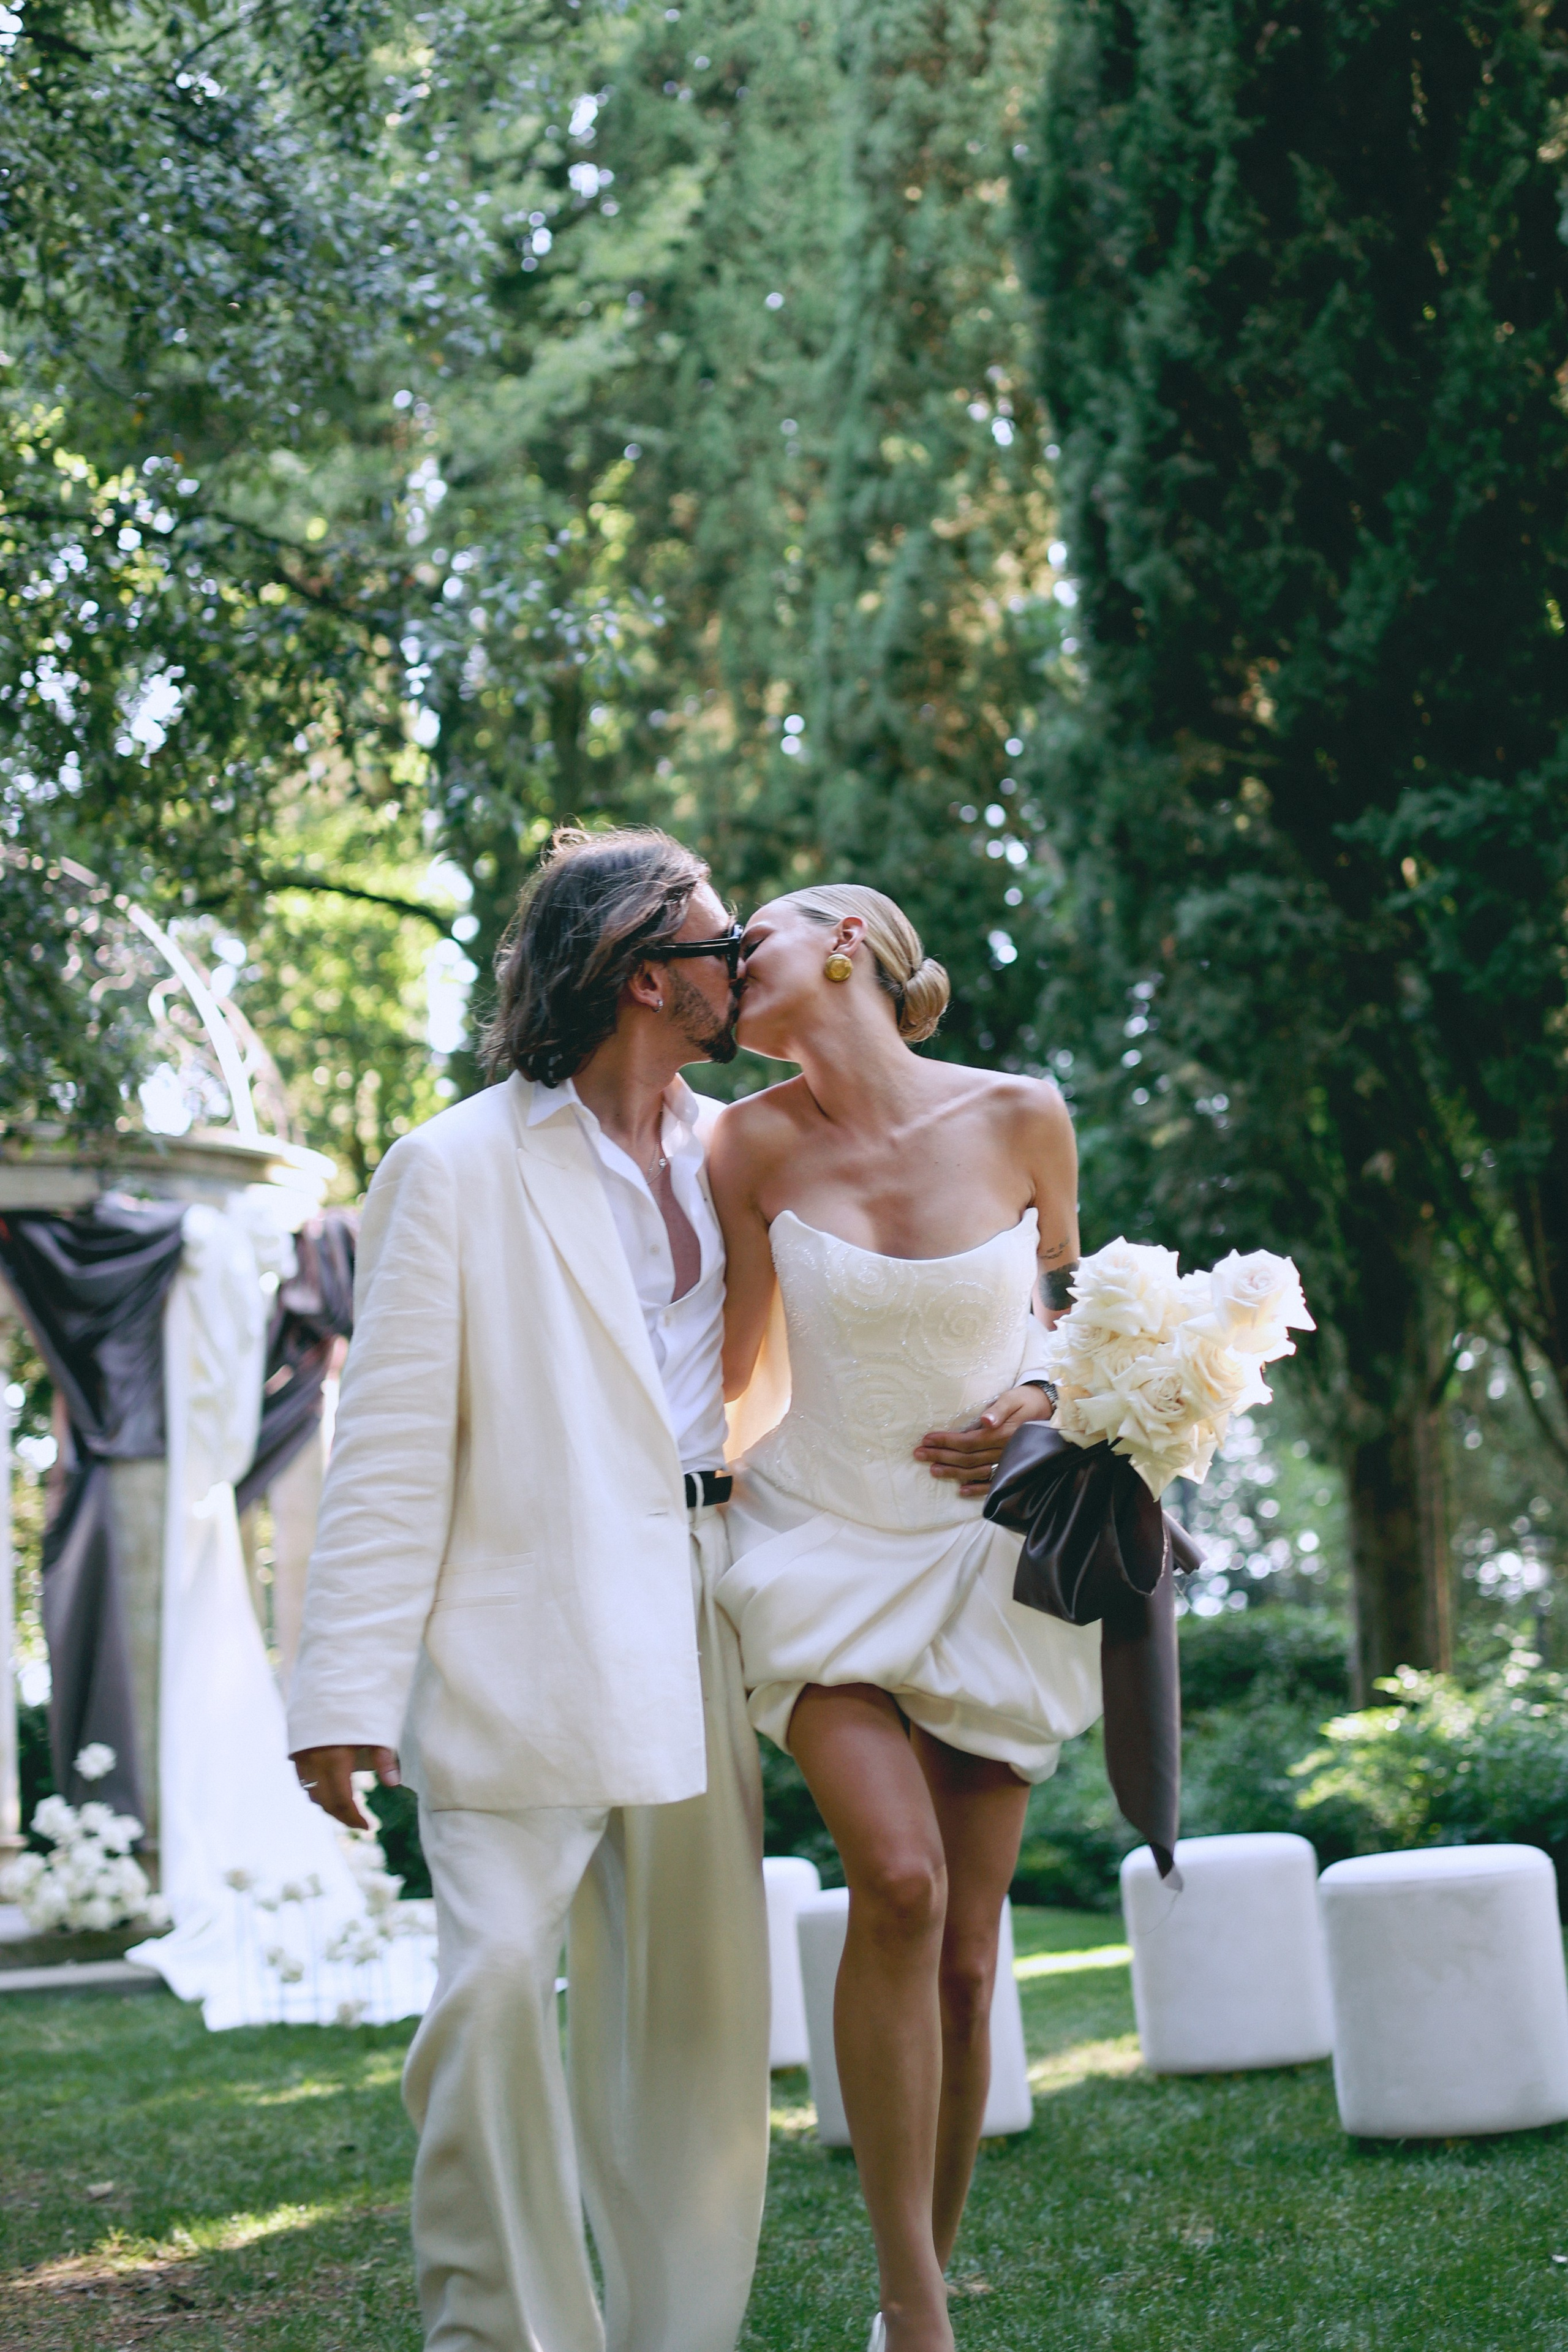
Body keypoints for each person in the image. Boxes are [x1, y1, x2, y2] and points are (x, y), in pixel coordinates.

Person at [286, 827, 770, 2352]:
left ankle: (677, 2337)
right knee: (492, 1988)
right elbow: (389, 1449)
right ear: (645, 976)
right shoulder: (451, 1165)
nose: (745, 962)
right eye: (720, 940)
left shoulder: (745, 1147)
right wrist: (341, 1697)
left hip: (708, 1613)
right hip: (520, 1636)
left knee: (696, 2024)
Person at [710, 884, 1102, 2352]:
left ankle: (908, 2304)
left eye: (743, 933)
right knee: (897, 1878)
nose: (718, 961)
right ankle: (915, 2307)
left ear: (839, 945)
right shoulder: (740, 1143)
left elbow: (1079, 1314)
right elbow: (738, 1372)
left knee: (966, 1951)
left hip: (982, 1560)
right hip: (813, 1545)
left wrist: (1040, 1398)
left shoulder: (1020, 1114)